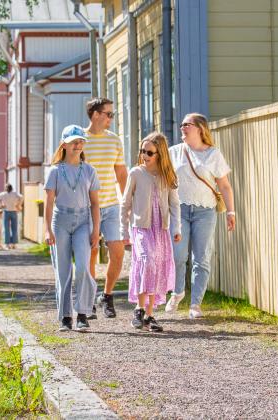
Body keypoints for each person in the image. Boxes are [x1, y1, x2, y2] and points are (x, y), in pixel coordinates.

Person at [166, 113, 236, 319]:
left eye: (187, 124)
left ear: (200, 128)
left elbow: (224, 185)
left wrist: (231, 212)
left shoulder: (213, 154)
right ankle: (177, 292)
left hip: (205, 211)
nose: (182, 128)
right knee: (178, 255)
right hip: (179, 210)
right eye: (181, 124)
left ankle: (196, 304)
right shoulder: (174, 152)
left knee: (202, 258)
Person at [120, 132, 181, 332]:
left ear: (160, 154)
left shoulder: (167, 176)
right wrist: (124, 231)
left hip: (160, 230)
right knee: (146, 260)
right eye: (142, 151)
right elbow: (125, 203)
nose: (144, 155)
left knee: (157, 266)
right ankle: (139, 307)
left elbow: (175, 204)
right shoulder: (136, 173)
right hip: (142, 228)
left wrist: (176, 228)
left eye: (149, 152)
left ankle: (150, 315)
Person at [44, 125, 101, 332]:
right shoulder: (55, 171)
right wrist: (47, 229)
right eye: (74, 141)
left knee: (83, 267)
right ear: (65, 144)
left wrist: (96, 230)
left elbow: (95, 203)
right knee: (63, 270)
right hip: (60, 221)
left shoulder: (89, 170)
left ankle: (83, 314)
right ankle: (65, 316)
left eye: (81, 141)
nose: (78, 145)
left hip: (83, 222)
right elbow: (49, 202)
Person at [83, 97, 127, 318]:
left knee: (118, 252)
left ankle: (107, 296)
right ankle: (88, 299)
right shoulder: (79, 139)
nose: (111, 118)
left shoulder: (115, 141)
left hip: (112, 205)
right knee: (90, 253)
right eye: (109, 114)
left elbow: (121, 173)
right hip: (87, 207)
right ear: (96, 114)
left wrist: (128, 203)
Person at [0, 184, 24, 249]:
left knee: (6, 228)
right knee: (14, 228)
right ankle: (14, 244)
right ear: (12, 188)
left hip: (6, 211)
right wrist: (18, 204)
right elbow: (22, 197)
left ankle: (7, 244)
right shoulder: (15, 194)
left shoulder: (4, 194)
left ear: (6, 188)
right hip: (14, 211)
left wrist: (0, 205)